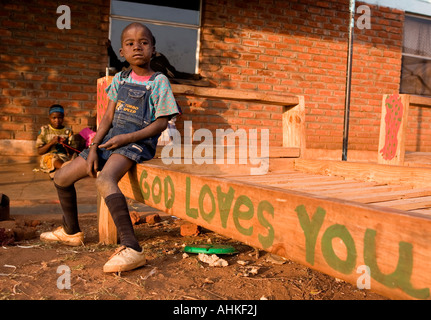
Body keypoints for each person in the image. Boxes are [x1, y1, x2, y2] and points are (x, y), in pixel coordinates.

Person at [40, 23, 180, 273]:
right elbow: (106, 118)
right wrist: (93, 146)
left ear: (153, 50)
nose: (137, 46)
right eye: (130, 43)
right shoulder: (120, 78)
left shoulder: (159, 82)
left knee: (105, 179)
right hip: (110, 139)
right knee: (61, 177)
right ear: (122, 51)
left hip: (136, 142)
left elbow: (160, 123)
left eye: (144, 42)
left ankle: (133, 248)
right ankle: (72, 231)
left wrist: (127, 139)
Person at [36, 105, 75, 177]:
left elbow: (72, 152)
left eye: (60, 118)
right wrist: (51, 143)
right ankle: (63, 169)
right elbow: (40, 151)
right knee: (52, 158)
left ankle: (57, 172)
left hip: (63, 157)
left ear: (63, 117)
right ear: (49, 117)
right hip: (48, 158)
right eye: (54, 118)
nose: (57, 120)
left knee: (64, 159)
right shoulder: (44, 130)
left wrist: (66, 145)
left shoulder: (68, 131)